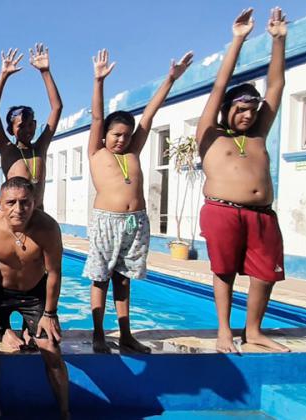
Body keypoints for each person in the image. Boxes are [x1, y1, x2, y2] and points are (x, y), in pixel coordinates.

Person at [84, 48, 192, 354]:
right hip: (107, 221)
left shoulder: (133, 151)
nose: (122, 139)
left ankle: (126, 333)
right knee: (100, 277)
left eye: (126, 135)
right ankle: (98, 334)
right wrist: (99, 81)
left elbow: (149, 115)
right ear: (105, 134)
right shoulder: (97, 153)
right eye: (116, 134)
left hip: (136, 222)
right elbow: (96, 116)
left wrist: (171, 79)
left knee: (124, 279)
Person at [195, 7, 289, 353]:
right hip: (222, 210)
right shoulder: (211, 134)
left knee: (266, 274)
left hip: (262, 214)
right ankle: (224, 330)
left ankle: (254, 330)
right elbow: (220, 85)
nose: (248, 115)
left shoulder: (259, 135)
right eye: (241, 109)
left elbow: (277, 85)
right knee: (225, 271)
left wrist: (279, 40)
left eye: (253, 109)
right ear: (227, 110)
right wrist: (238, 39)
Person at [0, 177, 69, 419]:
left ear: (35, 202)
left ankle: (65, 412)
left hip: (35, 292)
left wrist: (50, 314)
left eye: (25, 203)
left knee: (50, 347)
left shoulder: (47, 228)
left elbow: (54, 272)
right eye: (11, 202)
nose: (18, 209)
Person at [0, 44, 63, 209]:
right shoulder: (8, 150)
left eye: (31, 125)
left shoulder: (40, 148)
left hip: (38, 214)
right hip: (15, 215)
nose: (27, 130)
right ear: (11, 130)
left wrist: (45, 72)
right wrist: (3, 75)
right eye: (21, 126)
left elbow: (57, 108)